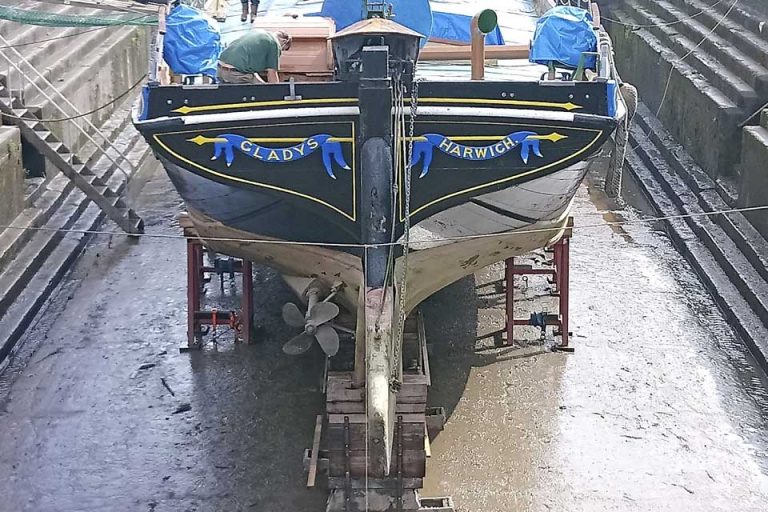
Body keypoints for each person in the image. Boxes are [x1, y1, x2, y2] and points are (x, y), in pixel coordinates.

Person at [218, 30, 292, 84]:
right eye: (283, 49)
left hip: (220, 69)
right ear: (284, 42)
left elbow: (252, 72)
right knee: (260, 94)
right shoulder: (274, 44)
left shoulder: (258, 33)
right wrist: (277, 93)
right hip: (236, 74)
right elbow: (272, 74)